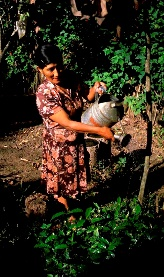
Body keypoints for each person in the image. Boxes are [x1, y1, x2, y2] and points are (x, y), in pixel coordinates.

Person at [34, 43, 114, 221]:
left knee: (75, 183)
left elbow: (89, 95)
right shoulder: (44, 94)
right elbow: (68, 124)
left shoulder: (70, 77)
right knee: (61, 186)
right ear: (40, 70)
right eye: (50, 69)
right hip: (59, 147)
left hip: (76, 142)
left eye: (59, 66)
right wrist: (100, 130)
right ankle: (69, 221)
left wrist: (97, 86)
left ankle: (75, 215)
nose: (57, 73)